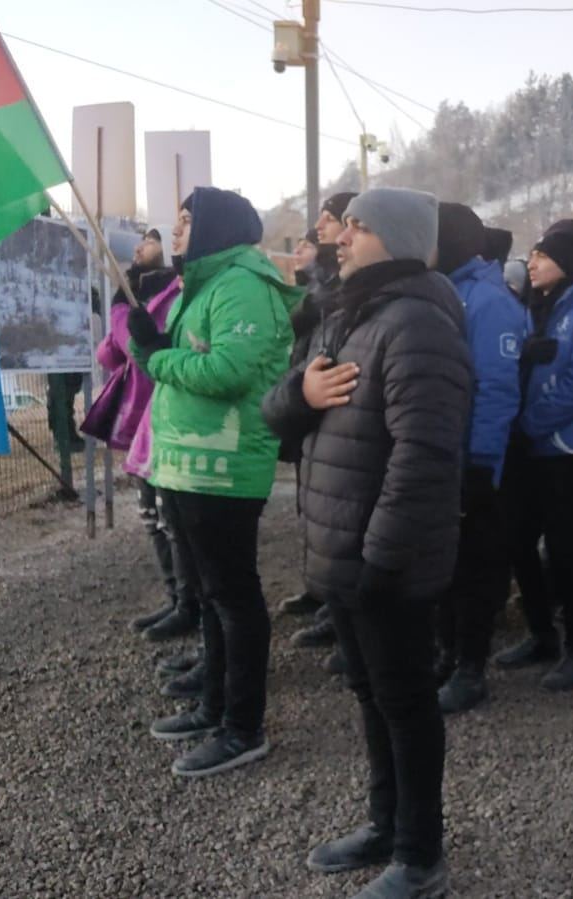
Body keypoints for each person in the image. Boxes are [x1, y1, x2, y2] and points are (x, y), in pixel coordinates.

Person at [264, 187, 471, 899]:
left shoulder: (417, 324)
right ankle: (384, 824)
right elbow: (280, 413)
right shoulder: (349, 317)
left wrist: (381, 558)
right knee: (370, 694)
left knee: (406, 701)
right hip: (343, 553)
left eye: (357, 225)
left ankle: (420, 854)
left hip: (383, 559)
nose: (340, 236)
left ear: (398, 239)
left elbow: (425, 455)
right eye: (342, 225)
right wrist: (303, 396)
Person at [133, 186, 302, 778]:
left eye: (184, 222)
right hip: (187, 464)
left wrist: (156, 358)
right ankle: (214, 703)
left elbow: (229, 370)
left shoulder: (242, 287)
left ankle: (243, 726)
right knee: (209, 592)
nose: (174, 233)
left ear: (214, 229)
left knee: (234, 596)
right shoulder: (202, 284)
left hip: (224, 468)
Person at [492, 219, 573, 692]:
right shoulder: (533, 307)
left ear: (564, 263)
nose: (533, 262)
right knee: (518, 541)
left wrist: (530, 422)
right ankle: (541, 633)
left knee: (567, 551)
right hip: (527, 447)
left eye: (542, 256)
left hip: (570, 448)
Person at [431, 202, 528, 714]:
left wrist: (482, 463)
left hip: (477, 459)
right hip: (446, 454)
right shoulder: (445, 288)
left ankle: (471, 667)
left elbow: (495, 387)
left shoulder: (487, 301)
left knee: (474, 566)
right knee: (444, 564)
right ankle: (446, 653)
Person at [88, 230, 190, 640]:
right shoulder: (141, 292)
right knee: (151, 513)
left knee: (169, 516)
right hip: (140, 422)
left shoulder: (173, 292)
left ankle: (189, 604)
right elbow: (111, 354)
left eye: (149, 240)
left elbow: (138, 350)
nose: (138, 247)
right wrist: (118, 312)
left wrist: (120, 316)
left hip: (160, 416)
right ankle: (176, 597)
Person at [284, 192, 356, 644]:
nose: (323, 227)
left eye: (331, 220)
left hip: (334, 406)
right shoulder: (321, 285)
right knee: (311, 504)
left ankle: (338, 608)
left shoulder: (347, 285)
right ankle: (321, 592)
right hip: (309, 399)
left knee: (338, 513)